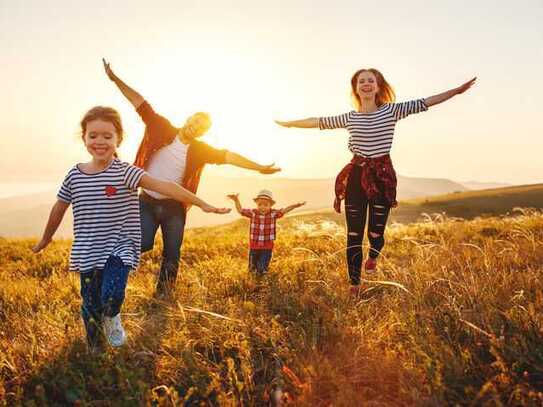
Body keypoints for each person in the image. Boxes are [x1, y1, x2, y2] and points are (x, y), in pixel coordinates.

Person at [32, 106, 229, 351]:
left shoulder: (126, 172)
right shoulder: (75, 175)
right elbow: (60, 206)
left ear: (118, 139)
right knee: (90, 304)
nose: (100, 141)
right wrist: (46, 238)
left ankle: (113, 316)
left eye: (107, 136)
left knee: (111, 296)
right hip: (87, 251)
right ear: (84, 138)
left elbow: (166, 186)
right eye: (93, 135)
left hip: (119, 248)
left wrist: (202, 203)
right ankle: (95, 347)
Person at [276, 69, 476, 295]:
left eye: (371, 80)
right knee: (354, 234)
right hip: (356, 177)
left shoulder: (392, 111)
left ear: (379, 86)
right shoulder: (350, 118)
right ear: (356, 88)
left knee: (375, 234)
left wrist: (456, 92)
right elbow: (318, 121)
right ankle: (354, 283)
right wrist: (291, 124)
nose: (366, 84)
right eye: (361, 81)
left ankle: (373, 256)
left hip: (381, 177)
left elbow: (426, 102)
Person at [102, 59, 281, 296]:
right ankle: (108, 269)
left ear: (203, 132)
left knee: (172, 253)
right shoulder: (161, 128)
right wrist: (115, 79)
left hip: (174, 205)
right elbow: (139, 102)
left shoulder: (200, 150)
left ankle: (163, 295)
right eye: (194, 121)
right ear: (188, 120)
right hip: (145, 201)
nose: (195, 127)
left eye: (201, 127)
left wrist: (259, 168)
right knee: (142, 243)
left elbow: (229, 156)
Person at [228, 190, 305, 274]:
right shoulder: (253, 213)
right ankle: (254, 283)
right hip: (254, 246)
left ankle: (262, 280)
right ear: (257, 204)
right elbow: (240, 211)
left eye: (266, 205)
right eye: (260, 204)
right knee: (252, 269)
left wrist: (295, 205)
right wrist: (236, 200)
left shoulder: (273, 214)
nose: (262, 207)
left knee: (262, 268)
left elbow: (285, 210)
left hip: (267, 247)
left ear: (270, 205)